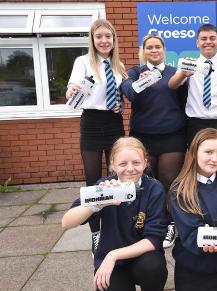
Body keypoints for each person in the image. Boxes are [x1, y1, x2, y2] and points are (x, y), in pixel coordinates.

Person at [62, 137, 168, 291]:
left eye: (136, 162)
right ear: (112, 164)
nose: (130, 168)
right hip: (115, 264)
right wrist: (97, 203)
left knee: (153, 267)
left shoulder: (154, 188)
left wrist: (113, 255)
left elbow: (154, 240)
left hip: (142, 258)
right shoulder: (104, 186)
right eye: (123, 163)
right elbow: (66, 222)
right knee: (107, 284)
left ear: (145, 162)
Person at [65, 19, 127, 254]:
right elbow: (72, 86)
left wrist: (119, 105)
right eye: (99, 36)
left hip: (113, 124)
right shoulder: (82, 62)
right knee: (93, 182)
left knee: (117, 179)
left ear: (113, 39)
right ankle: (96, 233)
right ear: (92, 39)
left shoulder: (118, 65)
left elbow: (121, 93)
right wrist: (71, 90)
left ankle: (116, 231)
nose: (103, 40)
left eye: (107, 36)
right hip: (90, 122)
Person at [121, 33, 188, 248]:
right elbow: (128, 92)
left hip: (172, 135)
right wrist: (139, 83)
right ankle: (146, 222)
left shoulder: (174, 73)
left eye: (157, 47)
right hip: (143, 137)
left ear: (164, 50)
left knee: (168, 181)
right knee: (147, 182)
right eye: (149, 47)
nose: (154, 50)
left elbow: (184, 101)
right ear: (143, 51)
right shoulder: (136, 71)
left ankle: (169, 223)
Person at [169, 128, 217, 291]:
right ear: (194, 152)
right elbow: (191, 233)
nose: (214, 159)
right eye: (208, 152)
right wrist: (205, 239)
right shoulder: (179, 190)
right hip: (192, 265)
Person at [168, 24, 217, 157]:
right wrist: (183, 74)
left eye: (212, 38)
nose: (208, 42)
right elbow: (172, 85)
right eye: (203, 39)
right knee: (195, 166)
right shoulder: (188, 64)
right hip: (195, 123)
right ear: (197, 43)